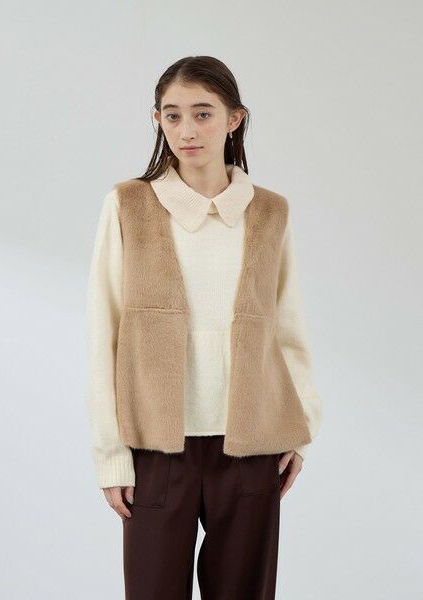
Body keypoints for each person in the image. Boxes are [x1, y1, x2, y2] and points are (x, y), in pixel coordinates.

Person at [85, 55, 323, 600]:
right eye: (172, 115)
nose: (187, 130)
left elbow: (289, 331)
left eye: (202, 113)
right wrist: (110, 454)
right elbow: (103, 333)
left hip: (252, 445)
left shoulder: (270, 212)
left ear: (235, 119)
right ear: (157, 121)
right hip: (155, 449)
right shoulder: (128, 206)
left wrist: (299, 431)